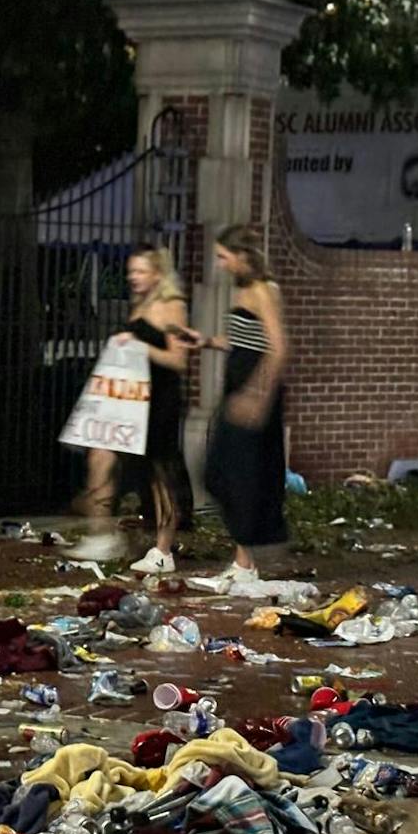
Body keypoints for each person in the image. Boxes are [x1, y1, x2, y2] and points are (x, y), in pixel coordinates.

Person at [205, 224, 289, 581]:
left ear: (242, 257)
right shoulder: (245, 290)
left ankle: (245, 563)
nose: (221, 265)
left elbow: (278, 347)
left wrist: (257, 396)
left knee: (231, 472)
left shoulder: (261, 290)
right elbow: (246, 339)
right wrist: (208, 341)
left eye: (224, 257)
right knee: (225, 471)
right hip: (238, 385)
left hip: (253, 391)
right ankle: (243, 559)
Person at [119, 248, 196, 574]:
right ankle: (159, 542)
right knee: (147, 472)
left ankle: (164, 548)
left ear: (157, 273)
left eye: (140, 271)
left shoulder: (172, 306)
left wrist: (139, 346)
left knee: (163, 471)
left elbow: (178, 360)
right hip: (140, 397)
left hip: (162, 397)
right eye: (131, 271)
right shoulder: (142, 306)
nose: (133, 277)